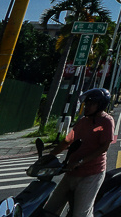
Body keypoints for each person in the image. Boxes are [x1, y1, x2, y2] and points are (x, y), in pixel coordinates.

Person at [43, 88, 115, 217]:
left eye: (91, 104)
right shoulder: (83, 121)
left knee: (81, 214)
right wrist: (49, 157)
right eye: (86, 104)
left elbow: (104, 147)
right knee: (51, 208)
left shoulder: (106, 122)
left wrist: (80, 162)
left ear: (100, 105)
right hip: (71, 171)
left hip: (92, 174)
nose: (86, 107)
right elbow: (67, 141)